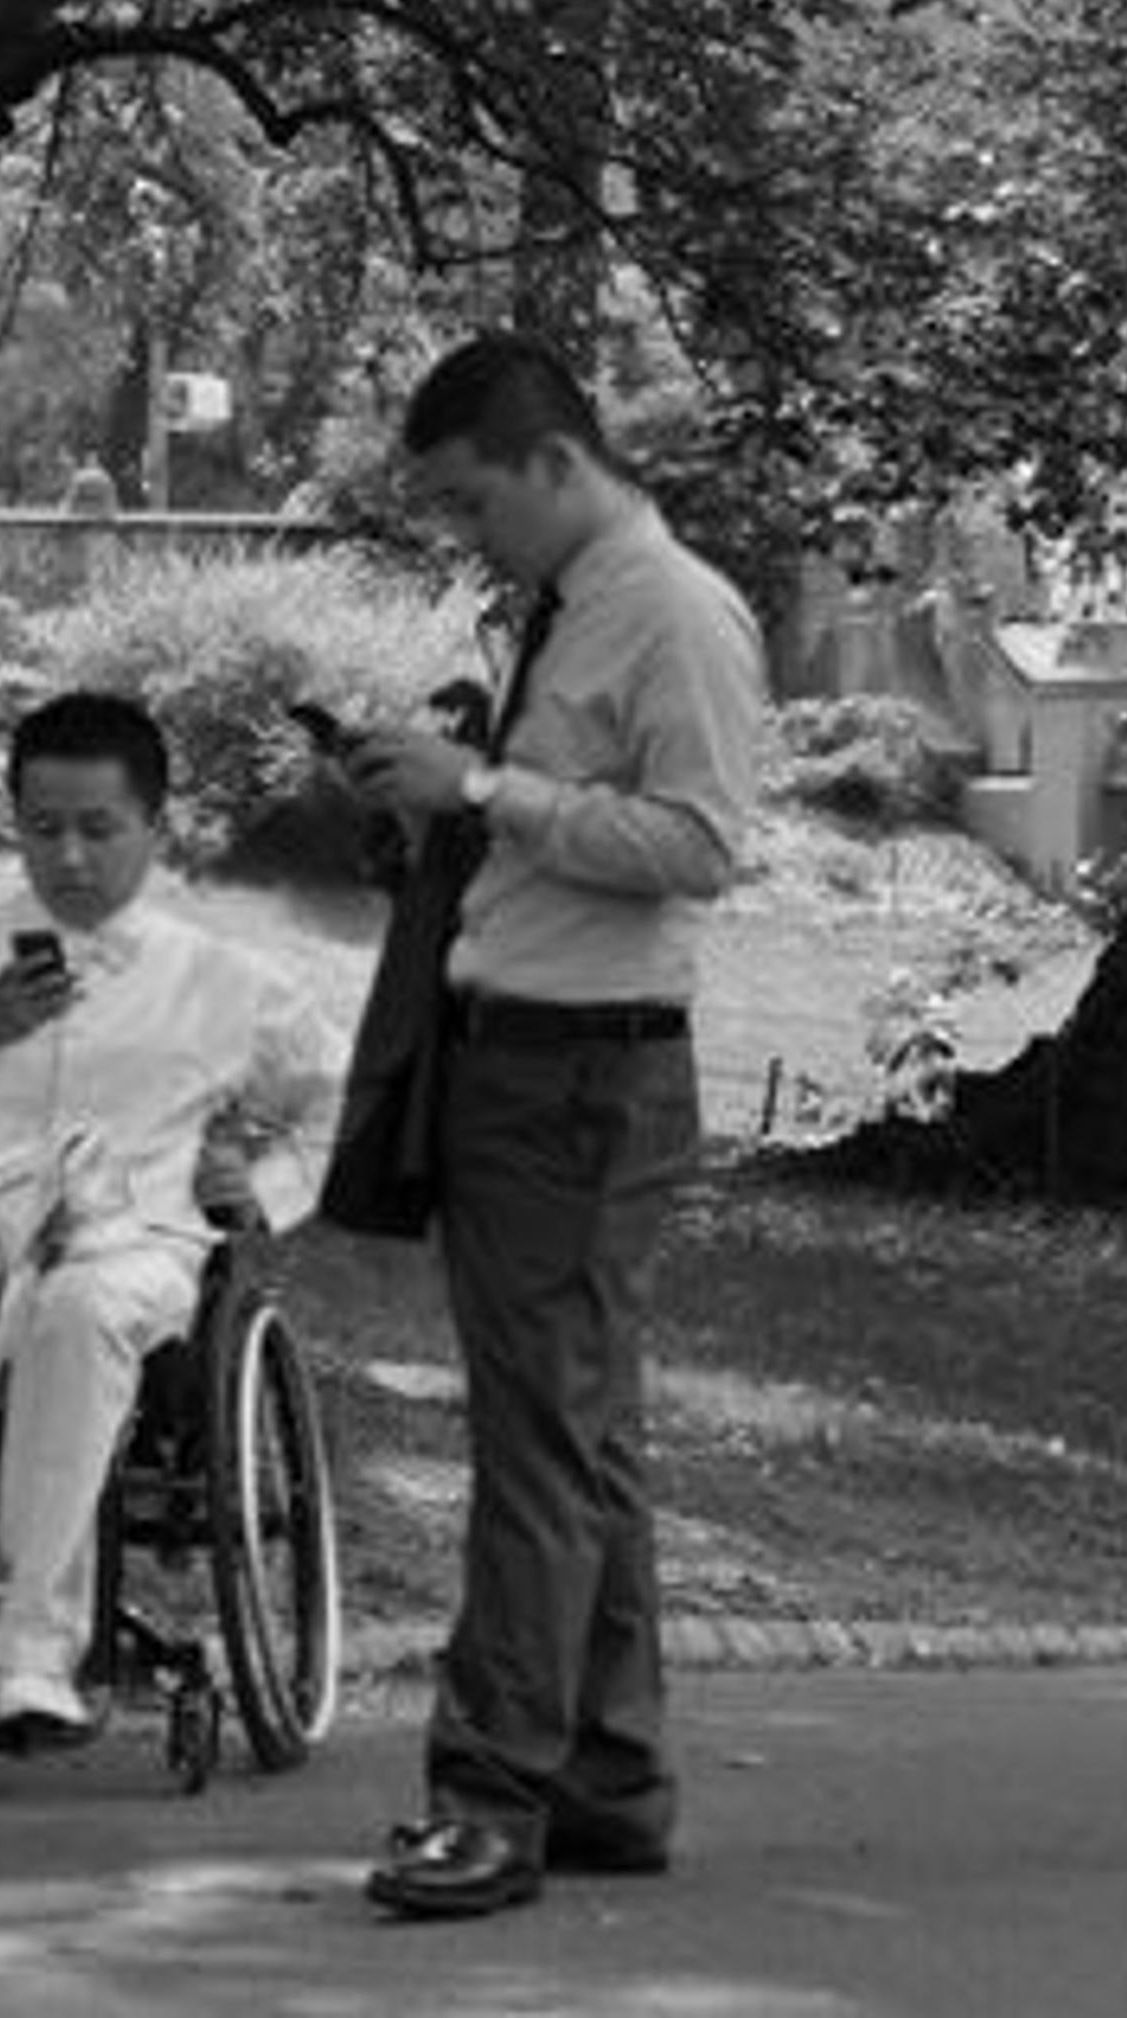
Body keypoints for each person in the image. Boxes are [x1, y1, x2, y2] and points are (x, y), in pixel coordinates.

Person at [335, 334, 764, 1921]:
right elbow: (571, 831)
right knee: (580, 1443)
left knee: (536, 1454)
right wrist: (448, 804)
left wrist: (484, 794)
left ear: (553, 460)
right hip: (526, 1063)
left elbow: (702, 844)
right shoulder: (578, 604)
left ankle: (490, 1794)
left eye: (472, 501)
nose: (469, 534)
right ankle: (605, 1778)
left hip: (582, 1076)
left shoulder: (674, 610)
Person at [0, 691, 333, 1746]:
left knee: (82, 1301)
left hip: (133, 1251)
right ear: (12, 821)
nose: (70, 857)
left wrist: (262, 1186)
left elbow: (337, 1105)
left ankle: (38, 1650)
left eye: (99, 829)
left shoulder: (224, 980)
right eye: (43, 827)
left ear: (155, 826)